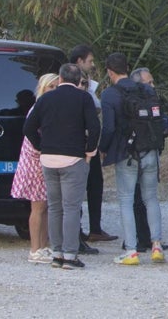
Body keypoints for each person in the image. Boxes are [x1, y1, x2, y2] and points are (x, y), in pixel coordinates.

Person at [22, 62, 101, 270]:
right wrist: (89, 151)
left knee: (55, 207)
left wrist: (40, 147)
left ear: (60, 79)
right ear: (78, 80)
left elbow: (28, 126)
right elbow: (94, 127)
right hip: (73, 159)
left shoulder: (46, 98)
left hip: (48, 159)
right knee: (71, 208)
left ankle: (56, 253)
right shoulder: (84, 98)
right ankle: (70, 255)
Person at [99, 53, 166, 266]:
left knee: (126, 200)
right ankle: (157, 245)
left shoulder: (110, 94)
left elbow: (108, 128)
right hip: (150, 150)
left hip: (126, 153)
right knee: (151, 198)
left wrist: (103, 149)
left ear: (109, 71)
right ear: (128, 68)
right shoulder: (145, 89)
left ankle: (131, 250)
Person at [68, 44, 115, 247]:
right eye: (89, 61)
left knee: (95, 183)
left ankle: (95, 228)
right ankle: (76, 230)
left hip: (90, 141)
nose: (92, 64)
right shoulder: (75, 85)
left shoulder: (88, 84)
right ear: (79, 62)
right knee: (78, 186)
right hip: (80, 142)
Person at [12, 72, 59, 264]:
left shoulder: (49, 108)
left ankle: (43, 245)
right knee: (38, 206)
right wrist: (42, 149)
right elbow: (31, 134)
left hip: (44, 161)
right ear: (43, 88)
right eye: (51, 87)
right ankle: (34, 249)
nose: (54, 91)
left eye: (57, 87)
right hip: (35, 162)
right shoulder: (38, 108)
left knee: (45, 206)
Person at [129, 66, 168, 253]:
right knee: (146, 198)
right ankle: (151, 240)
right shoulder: (147, 102)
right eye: (149, 82)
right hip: (147, 155)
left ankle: (137, 240)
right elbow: (167, 125)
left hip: (135, 155)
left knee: (136, 198)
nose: (153, 86)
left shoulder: (133, 102)